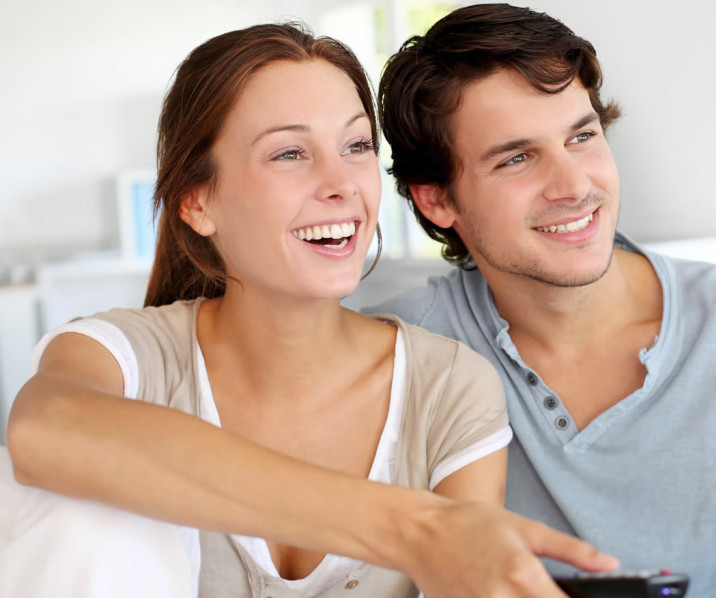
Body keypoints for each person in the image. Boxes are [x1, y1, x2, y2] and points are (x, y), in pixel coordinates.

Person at [0, 22, 617, 598]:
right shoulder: (125, 356)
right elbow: (40, 431)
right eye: (289, 154)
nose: (341, 182)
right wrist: (411, 527)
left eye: (355, 145)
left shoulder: (447, 384)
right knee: (79, 493)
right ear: (197, 202)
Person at [369, 3, 716, 596]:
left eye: (582, 136)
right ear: (436, 201)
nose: (575, 186)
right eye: (517, 157)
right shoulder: (401, 353)